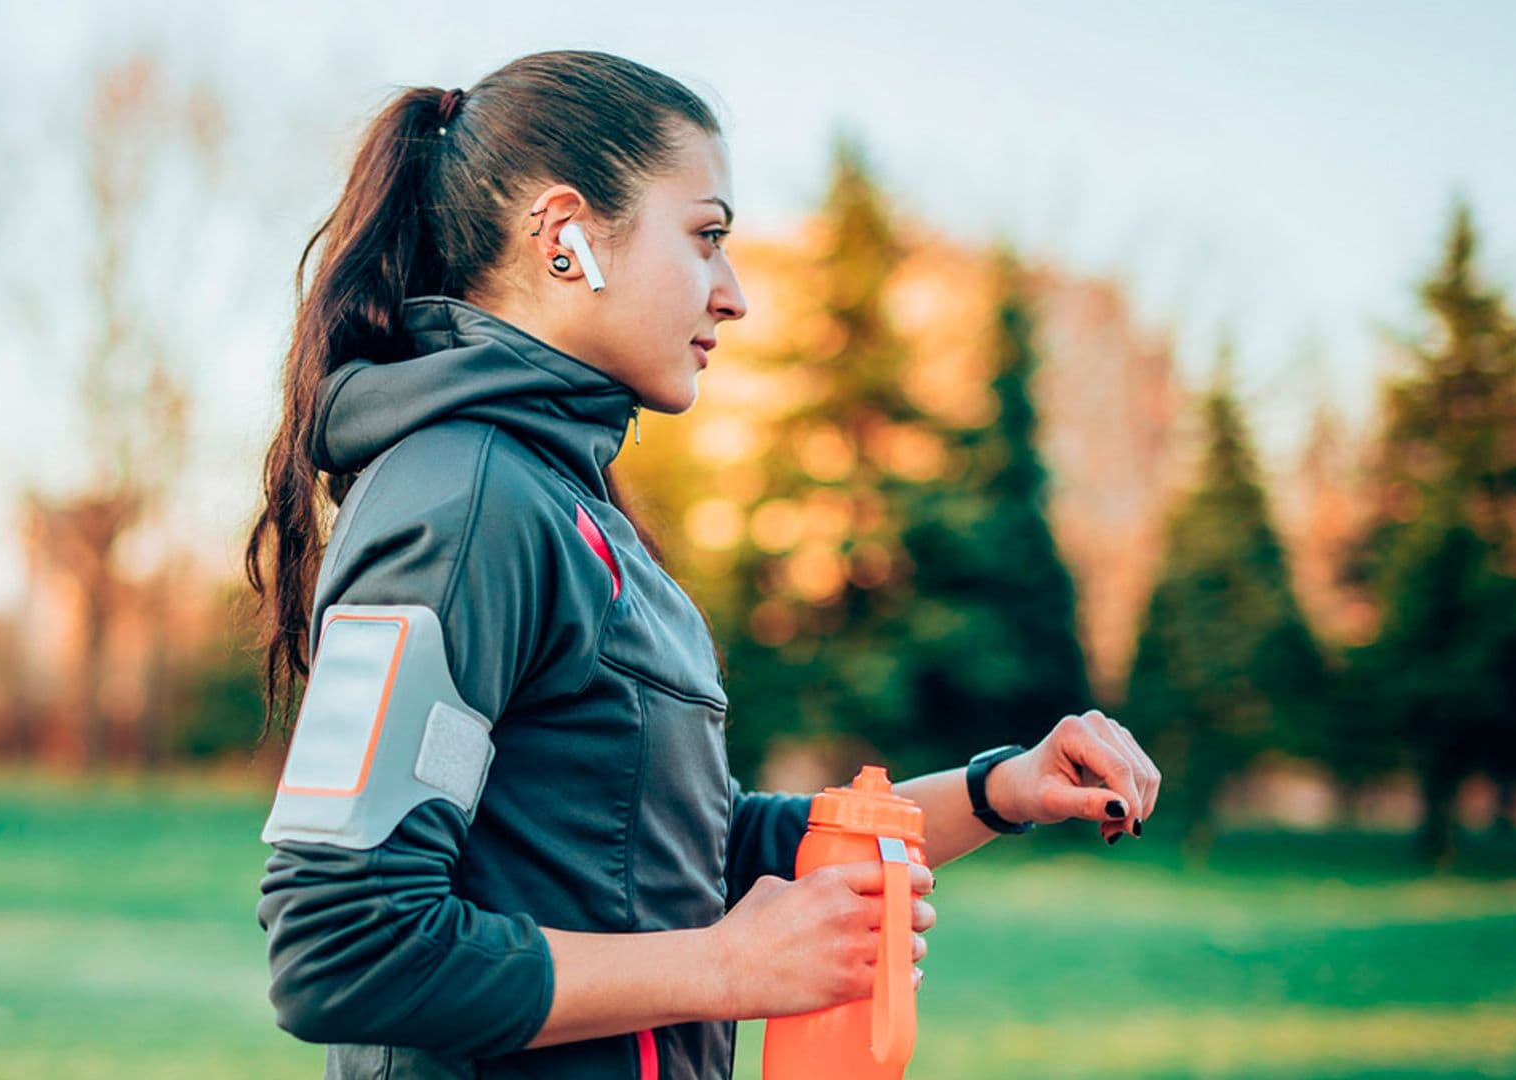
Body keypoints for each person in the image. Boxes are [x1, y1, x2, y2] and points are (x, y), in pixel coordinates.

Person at [246, 48, 1162, 1080]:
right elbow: (344, 950)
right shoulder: (463, 500)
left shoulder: (572, 506)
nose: (733, 296)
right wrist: (727, 969)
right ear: (565, 239)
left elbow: (685, 856)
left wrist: (1002, 791)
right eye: (707, 236)